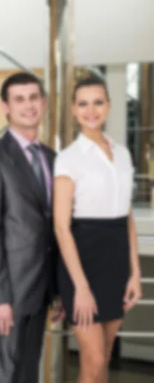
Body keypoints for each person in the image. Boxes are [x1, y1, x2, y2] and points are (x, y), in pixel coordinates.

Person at [0, 72, 63, 383]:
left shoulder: (52, 158)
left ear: (44, 102)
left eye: (34, 97)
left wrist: (59, 288)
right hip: (9, 287)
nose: (28, 105)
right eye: (19, 99)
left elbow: (54, 229)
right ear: (6, 106)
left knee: (27, 372)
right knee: (5, 373)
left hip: (43, 286)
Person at [53, 77, 141, 382]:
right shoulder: (69, 159)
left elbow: (126, 215)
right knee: (92, 359)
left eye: (98, 102)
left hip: (116, 264)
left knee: (103, 358)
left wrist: (135, 272)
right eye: (83, 103)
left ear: (109, 105)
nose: (91, 110)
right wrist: (82, 288)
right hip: (83, 265)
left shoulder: (124, 154)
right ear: (74, 110)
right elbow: (62, 228)